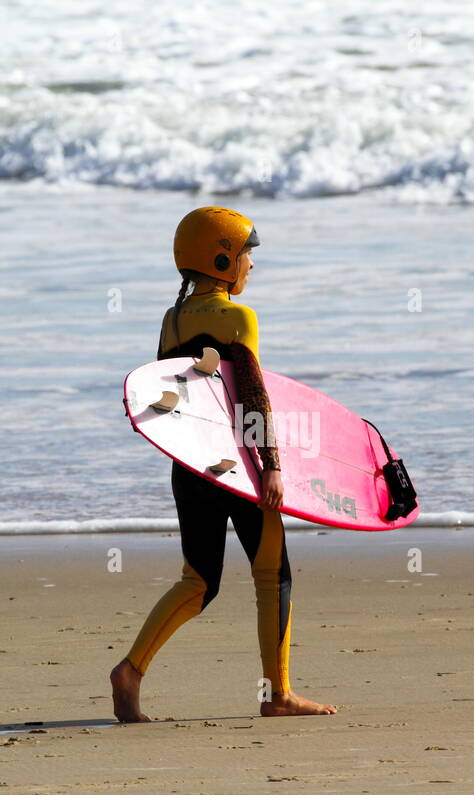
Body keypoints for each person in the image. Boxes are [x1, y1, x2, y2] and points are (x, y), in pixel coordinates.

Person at [110, 206, 337, 722]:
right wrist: (273, 464)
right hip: (238, 466)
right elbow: (252, 395)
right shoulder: (239, 319)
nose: (251, 266)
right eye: (246, 255)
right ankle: (278, 693)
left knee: (198, 582)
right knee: (272, 574)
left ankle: (131, 670)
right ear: (221, 258)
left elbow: (167, 393)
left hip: (190, 465)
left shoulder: (171, 321)